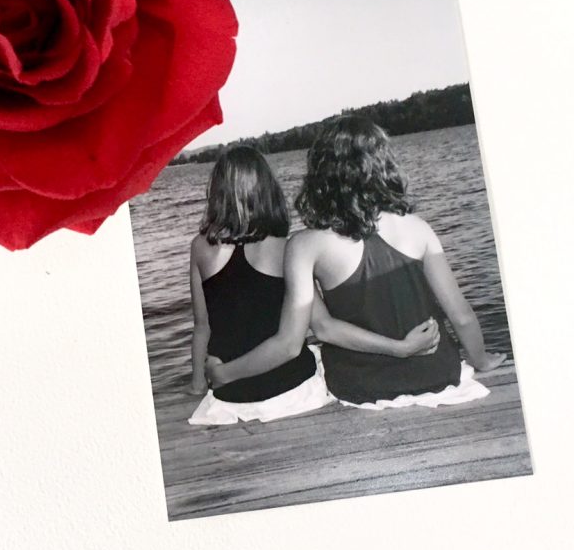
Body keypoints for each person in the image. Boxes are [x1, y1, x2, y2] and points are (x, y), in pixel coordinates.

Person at [206, 119, 506, 408]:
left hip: (362, 385)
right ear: (382, 165)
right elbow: (461, 315)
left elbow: (320, 330)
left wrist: (223, 374)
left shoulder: (304, 245)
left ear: (320, 174)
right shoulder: (418, 227)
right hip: (437, 373)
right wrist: (481, 360)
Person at [189, 144, 441, 424]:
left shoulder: (199, 248)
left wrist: (201, 384)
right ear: (267, 190)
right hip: (292, 392)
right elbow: (323, 329)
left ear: (217, 193)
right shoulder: (287, 249)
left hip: (229, 397)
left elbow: (202, 327)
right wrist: (399, 348)